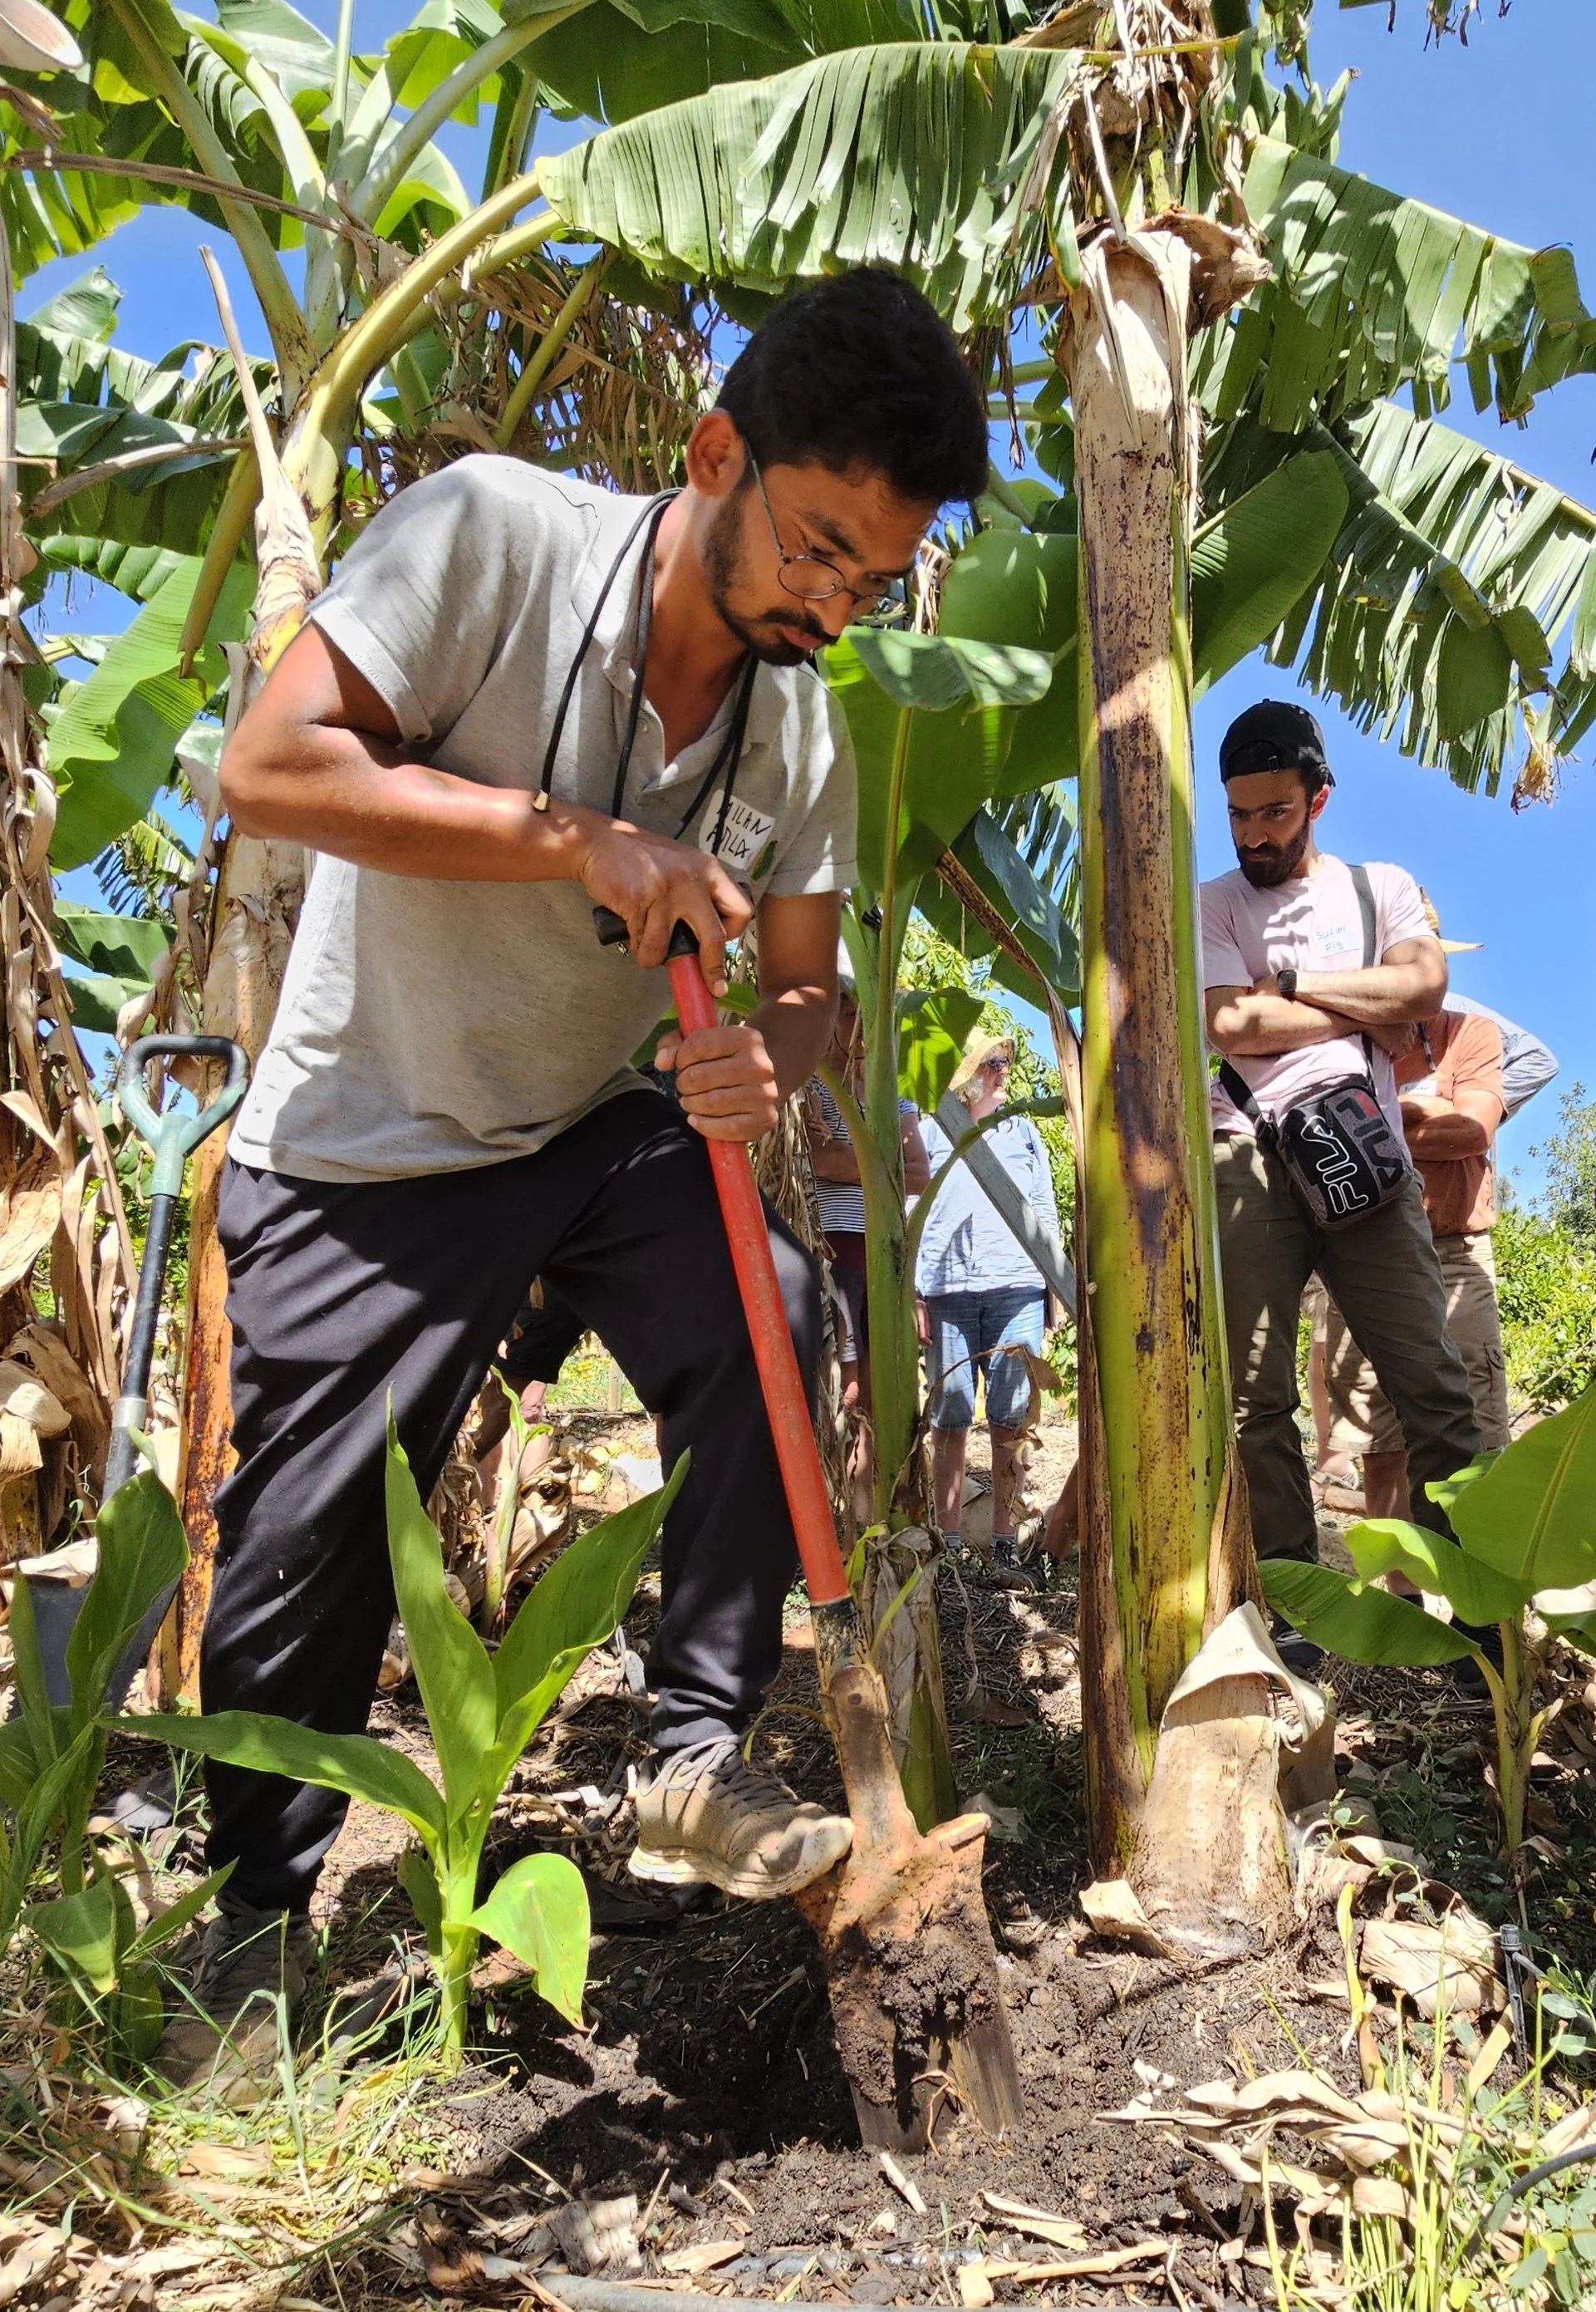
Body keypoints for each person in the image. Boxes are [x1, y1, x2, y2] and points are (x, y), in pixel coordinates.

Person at [166, 268, 990, 2095]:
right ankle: (242, 1919)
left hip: (579, 1134)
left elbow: (808, 981)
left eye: (873, 581)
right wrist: (577, 834)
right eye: (816, 548)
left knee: (768, 1299)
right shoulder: (494, 537)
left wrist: (770, 1049)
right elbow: (266, 766)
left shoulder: (798, 726)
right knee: (306, 1552)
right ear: (715, 454)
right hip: (365, 1137)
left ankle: (691, 1746)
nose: (834, 603)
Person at [1200, 701, 1482, 1602]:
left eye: (1274, 812)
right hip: (1244, 1150)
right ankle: (1293, 1606)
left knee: (1433, 1389)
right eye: (1238, 815)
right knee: (1256, 1404)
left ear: (1318, 800)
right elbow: (1226, 1020)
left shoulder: (1380, 888)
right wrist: (1373, 1005)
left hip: (1366, 1155)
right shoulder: (1211, 901)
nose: (1253, 835)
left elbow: (1426, 983)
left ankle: (1466, 1607)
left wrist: (1292, 984)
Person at [1323, 907, 1523, 1522]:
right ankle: (1400, 1598)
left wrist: (1378, 1128)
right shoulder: (1343, 1043)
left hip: (1454, 1255)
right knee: (1378, 1439)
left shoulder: (1473, 1035)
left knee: (1477, 1434)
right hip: (1363, 1253)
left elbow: (1470, 1132)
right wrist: (1418, 1118)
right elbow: (1319, 1138)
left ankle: (1482, 1610)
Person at [916, 1031, 1061, 1587]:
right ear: (968, 1068)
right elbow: (909, 1203)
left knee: (1010, 1421)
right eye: (993, 1062)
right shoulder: (931, 1126)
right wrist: (911, 1292)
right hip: (945, 1291)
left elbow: (1042, 1206)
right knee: (948, 1422)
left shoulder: (1021, 1126)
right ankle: (947, 1550)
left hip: (1017, 1288)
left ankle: (1004, 1548)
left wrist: (1054, 1286)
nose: (1004, 1072)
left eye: (1007, 1062)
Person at [803, 981, 931, 1520]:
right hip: (829, 1249)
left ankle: (870, 1521)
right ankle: (830, 1516)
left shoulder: (890, 1094)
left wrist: (848, 1151)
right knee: (842, 1390)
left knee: (879, 1395)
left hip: (883, 1251)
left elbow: (919, 1172)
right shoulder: (809, 1082)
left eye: (862, 1017)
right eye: (844, 1015)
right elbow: (816, 1161)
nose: (853, 1030)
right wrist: (881, 1163)